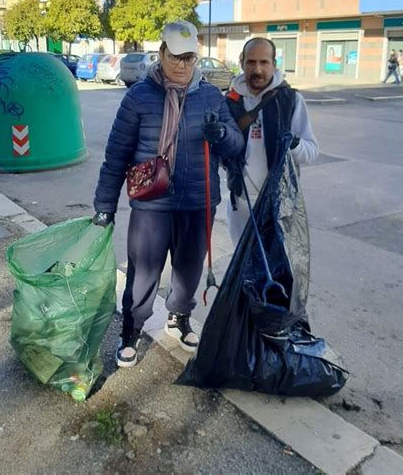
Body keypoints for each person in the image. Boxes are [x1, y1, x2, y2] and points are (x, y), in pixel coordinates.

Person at [93, 21, 244, 368]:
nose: (182, 65)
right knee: (143, 272)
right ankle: (130, 330)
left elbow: (235, 147)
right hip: (151, 202)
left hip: (198, 200)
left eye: (189, 58)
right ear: (161, 53)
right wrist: (105, 206)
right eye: (175, 57)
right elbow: (116, 155)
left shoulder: (210, 96)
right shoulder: (139, 97)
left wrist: (220, 133)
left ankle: (179, 318)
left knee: (189, 271)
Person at [225, 37, 319, 246]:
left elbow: (311, 152)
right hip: (240, 203)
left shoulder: (291, 100)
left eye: (264, 62)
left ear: (274, 64)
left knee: (274, 273)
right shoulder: (230, 101)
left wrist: (294, 145)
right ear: (242, 62)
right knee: (244, 272)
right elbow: (223, 156)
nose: (257, 69)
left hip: (279, 204)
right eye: (251, 62)